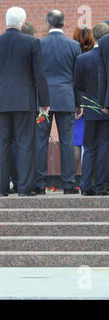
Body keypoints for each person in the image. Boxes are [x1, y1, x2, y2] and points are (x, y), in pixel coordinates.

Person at [0, 7, 50, 197]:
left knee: (1, 146)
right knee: (25, 145)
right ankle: (24, 188)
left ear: (6, 21)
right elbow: (39, 74)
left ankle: (1, 189)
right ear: (23, 22)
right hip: (24, 101)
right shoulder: (31, 42)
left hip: (0, 102)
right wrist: (44, 101)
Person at [35, 10, 82, 195]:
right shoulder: (74, 45)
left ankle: (39, 184)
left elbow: (36, 74)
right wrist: (79, 103)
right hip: (66, 97)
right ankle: (69, 184)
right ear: (64, 23)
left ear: (47, 22)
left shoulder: (39, 43)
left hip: (43, 100)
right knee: (67, 142)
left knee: (40, 141)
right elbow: (77, 78)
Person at [76, 23, 109, 195]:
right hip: (106, 107)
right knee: (104, 147)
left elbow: (78, 85)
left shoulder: (82, 59)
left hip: (89, 108)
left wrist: (82, 103)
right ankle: (101, 186)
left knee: (88, 147)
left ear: (94, 37)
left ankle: (86, 185)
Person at [73, 27, 95, 176]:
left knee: (76, 142)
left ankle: (72, 179)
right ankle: (89, 178)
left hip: (76, 104)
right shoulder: (96, 56)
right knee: (90, 144)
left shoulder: (74, 56)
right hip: (94, 104)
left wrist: (77, 103)